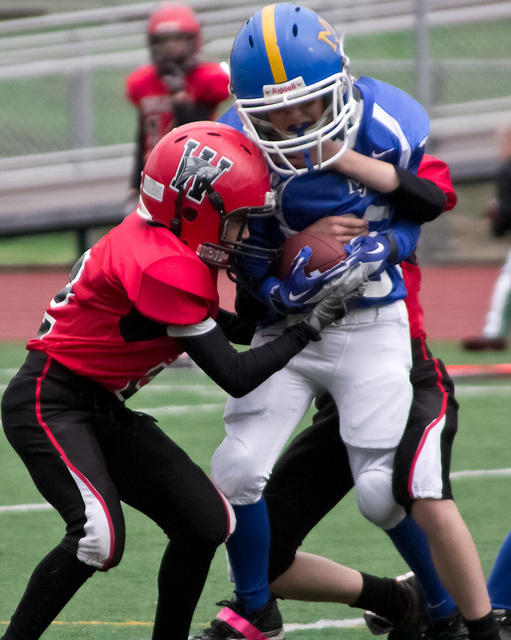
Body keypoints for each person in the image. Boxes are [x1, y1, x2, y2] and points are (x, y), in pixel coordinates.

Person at [191, 5, 500, 640]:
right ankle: (255, 608)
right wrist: (287, 261)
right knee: (236, 470)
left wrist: (382, 239)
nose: (289, 122)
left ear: (340, 83)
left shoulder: (384, 124)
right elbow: (231, 265)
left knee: (384, 495)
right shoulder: (236, 147)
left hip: (373, 323)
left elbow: (429, 201)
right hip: (289, 329)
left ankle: (441, 611)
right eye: (271, 111)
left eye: (302, 104)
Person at [0, 121, 348, 640]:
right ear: (195, 207)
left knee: (206, 522)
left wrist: (287, 297)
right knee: (97, 538)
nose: (246, 234)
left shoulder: (163, 243)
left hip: (99, 404)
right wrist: (308, 329)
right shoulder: (160, 262)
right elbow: (234, 374)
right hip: (51, 401)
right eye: (238, 221)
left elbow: (225, 329)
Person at [125, 3, 230, 203]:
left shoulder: (204, 79)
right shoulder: (145, 82)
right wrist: (133, 184)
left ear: (193, 41)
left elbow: (198, 131)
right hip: (153, 171)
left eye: (177, 40)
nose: (170, 48)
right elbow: (142, 136)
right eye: (164, 41)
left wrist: (182, 101)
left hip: (192, 172)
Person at [462, 121, 511, 351]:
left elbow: (506, 211)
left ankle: (493, 332)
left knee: (507, 280)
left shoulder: (507, 170)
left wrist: (497, 218)